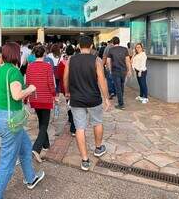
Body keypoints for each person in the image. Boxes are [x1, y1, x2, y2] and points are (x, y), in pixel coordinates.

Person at [0, 42, 45, 199]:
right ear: (15, 54)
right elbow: (16, 95)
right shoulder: (14, 72)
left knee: (26, 147)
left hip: (1, 116)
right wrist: (30, 88)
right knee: (7, 163)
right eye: (19, 52)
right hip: (11, 120)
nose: (21, 55)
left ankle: (30, 178)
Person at [64, 36, 111, 171]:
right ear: (91, 46)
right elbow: (102, 80)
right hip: (94, 98)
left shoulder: (71, 60)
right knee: (97, 122)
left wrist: (67, 92)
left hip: (76, 98)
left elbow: (65, 77)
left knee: (80, 128)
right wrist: (106, 98)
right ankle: (98, 148)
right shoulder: (96, 60)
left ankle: (85, 160)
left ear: (78, 46)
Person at [26, 45, 55, 163]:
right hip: (45, 98)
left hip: (34, 97)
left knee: (42, 121)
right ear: (44, 54)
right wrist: (54, 94)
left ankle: (46, 144)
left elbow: (27, 82)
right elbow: (50, 83)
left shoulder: (30, 66)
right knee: (44, 124)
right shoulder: (47, 66)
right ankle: (36, 149)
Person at [107, 36, 132, 110]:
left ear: (112, 43)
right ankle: (121, 100)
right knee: (121, 86)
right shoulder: (124, 49)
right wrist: (129, 70)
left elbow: (108, 62)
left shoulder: (111, 50)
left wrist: (110, 70)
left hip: (115, 71)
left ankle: (121, 104)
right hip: (123, 71)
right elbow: (128, 61)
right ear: (119, 42)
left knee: (118, 87)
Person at [57, 45, 76, 136]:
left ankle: (70, 118)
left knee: (69, 103)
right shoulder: (77, 62)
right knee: (74, 106)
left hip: (65, 87)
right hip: (76, 87)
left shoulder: (62, 63)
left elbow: (59, 76)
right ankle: (73, 127)